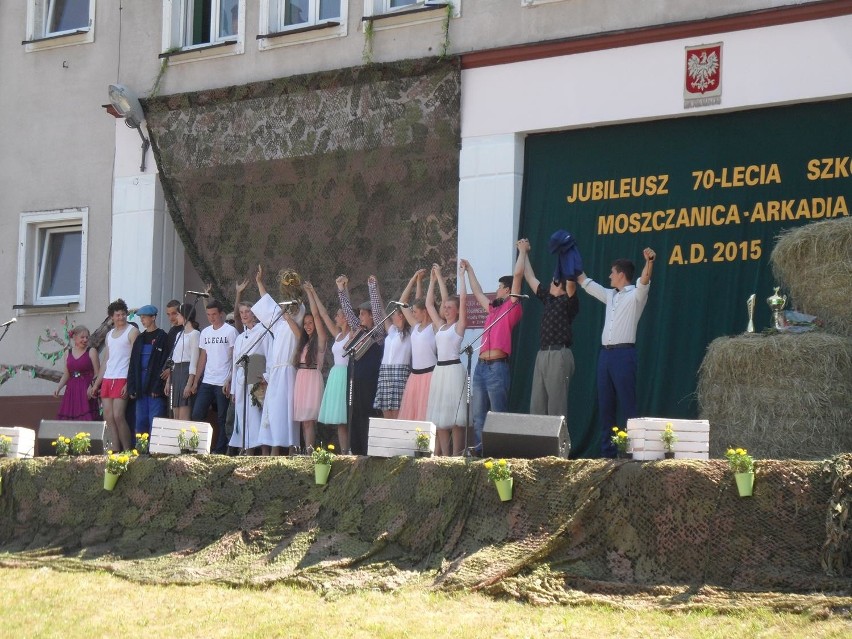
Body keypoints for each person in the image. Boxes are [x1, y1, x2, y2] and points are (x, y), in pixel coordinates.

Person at [577, 247, 656, 458]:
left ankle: (633, 452)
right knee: (605, 404)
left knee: (628, 404)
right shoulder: (610, 295)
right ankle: (608, 453)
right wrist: (571, 263)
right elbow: (587, 284)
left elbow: (645, 280)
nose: (610, 276)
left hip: (624, 354)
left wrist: (649, 261)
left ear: (621, 274)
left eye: (612, 272)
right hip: (606, 356)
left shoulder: (636, 295)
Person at [462, 252, 524, 454]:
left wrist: (522, 252)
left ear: (507, 290)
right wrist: (470, 270)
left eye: (499, 287)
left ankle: (500, 453)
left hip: (497, 367)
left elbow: (517, 278)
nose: (496, 290)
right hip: (481, 366)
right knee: (478, 415)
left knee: (498, 413)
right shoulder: (492, 309)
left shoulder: (512, 307)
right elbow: (477, 291)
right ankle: (480, 451)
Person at [517, 238, 580, 418]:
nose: (550, 283)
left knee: (556, 407)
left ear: (560, 286)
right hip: (542, 353)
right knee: (537, 406)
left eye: (554, 281)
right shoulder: (548, 298)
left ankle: (558, 446)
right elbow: (530, 277)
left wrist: (566, 256)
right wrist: (524, 252)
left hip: (559, 354)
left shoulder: (568, 302)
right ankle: (539, 445)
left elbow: (571, 284)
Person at [252, 265, 304, 456]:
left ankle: (291, 447)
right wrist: (259, 282)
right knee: (273, 410)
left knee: (287, 408)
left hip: (288, 368)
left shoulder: (297, 311)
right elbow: (267, 304)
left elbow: (299, 334)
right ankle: (274, 447)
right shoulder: (278, 319)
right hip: (276, 370)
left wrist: (288, 314)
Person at [337, 274, 384, 456]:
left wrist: (372, 286)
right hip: (354, 379)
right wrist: (342, 290)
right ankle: (355, 448)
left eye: (363, 314)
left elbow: (379, 311)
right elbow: (348, 314)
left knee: (368, 416)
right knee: (354, 415)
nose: (360, 317)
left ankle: (368, 449)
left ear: (371, 316)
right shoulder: (360, 331)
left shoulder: (377, 332)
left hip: (369, 382)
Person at [425, 263, 468, 456]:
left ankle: (457, 454)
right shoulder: (441, 325)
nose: (447, 309)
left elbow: (464, 300)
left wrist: (462, 276)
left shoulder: (458, 326)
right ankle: (445, 455)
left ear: (457, 311)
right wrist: (435, 279)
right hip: (440, 371)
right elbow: (428, 304)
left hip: (454, 370)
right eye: (445, 307)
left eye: (451, 307)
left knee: (456, 418)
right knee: (440, 417)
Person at [190, 299, 238, 454]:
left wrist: (230, 379)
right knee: (197, 413)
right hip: (207, 380)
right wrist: (196, 381)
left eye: (214, 314)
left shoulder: (230, 331)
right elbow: (203, 358)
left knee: (223, 418)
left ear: (221, 314)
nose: (212, 317)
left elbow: (234, 358)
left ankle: (220, 449)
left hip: (223, 381)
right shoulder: (205, 332)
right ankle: (198, 447)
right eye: (209, 314)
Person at [91, 299, 139, 451]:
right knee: (108, 416)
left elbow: (134, 359)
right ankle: (115, 449)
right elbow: (106, 360)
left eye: (123, 314)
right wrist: (97, 383)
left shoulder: (132, 331)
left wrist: (128, 383)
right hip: (108, 378)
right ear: (112, 317)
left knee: (118, 415)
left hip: (122, 377)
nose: (121, 317)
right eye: (117, 315)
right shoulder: (110, 334)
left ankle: (127, 449)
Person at [228, 295, 271, 454]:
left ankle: (265, 452)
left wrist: (266, 377)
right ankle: (247, 449)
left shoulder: (263, 332)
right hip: (241, 377)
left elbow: (269, 354)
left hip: (257, 374)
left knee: (257, 412)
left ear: (253, 314)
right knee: (243, 413)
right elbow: (235, 363)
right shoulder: (239, 338)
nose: (244, 314)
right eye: (242, 312)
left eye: (247, 311)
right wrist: (233, 389)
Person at [314, 284, 353, 453]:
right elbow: (322, 314)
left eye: (338, 315)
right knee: (339, 418)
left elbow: (350, 311)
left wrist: (343, 290)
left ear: (345, 317)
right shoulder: (337, 335)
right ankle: (344, 451)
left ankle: (352, 448)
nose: (335, 318)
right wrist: (313, 292)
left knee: (348, 416)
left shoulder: (353, 333)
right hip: (336, 374)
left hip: (347, 374)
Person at [397, 269, 438, 422]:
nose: (412, 314)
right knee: (414, 414)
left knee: (426, 413)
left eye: (415, 311)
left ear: (425, 312)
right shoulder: (415, 326)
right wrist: (414, 279)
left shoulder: (434, 326)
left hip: (430, 375)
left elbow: (427, 302)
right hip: (415, 376)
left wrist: (433, 281)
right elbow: (402, 303)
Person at [369, 275, 412, 420]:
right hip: (385, 371)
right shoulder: (392, 330)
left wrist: (413, 281)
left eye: (395, 314)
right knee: (386, 412)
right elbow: (381, 310)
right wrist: (374, 288)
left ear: (402, 316)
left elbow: (403, 302)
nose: (392, 316)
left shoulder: (410, 332)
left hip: (400, 372)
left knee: (397, 413)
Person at [292, 282, 326, 452]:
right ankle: (306, 450)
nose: (308, 325)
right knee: (304, 421)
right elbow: (291, 324)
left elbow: (317, 316)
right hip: (301, 378)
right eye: (305, 323)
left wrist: (311, 293)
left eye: (310, 322)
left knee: (309, 419)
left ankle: (309, 451)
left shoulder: (320, 339)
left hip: (312, 378)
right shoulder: (303, 341)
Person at [126, 305, 170, 436]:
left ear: (154, 317)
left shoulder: (163, 337)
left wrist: (158, 387)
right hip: (141, 387)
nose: (142, 320)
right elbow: (133, 363)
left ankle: (154, 451)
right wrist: (132, 386)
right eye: (141, 318)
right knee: (140, 421)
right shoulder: (140, 338)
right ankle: (141, 450)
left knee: (155, 421)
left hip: (155, 388)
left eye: (144, 317)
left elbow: (164, 364)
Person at [54, 325, 100, 421]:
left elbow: (97, 373)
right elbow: (67, 374)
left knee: (87, 418)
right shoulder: (67, 353)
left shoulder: (91, 351)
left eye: (87, 337)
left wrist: (92, 387)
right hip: (71, 390)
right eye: (82, 337)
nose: (85, 339)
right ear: (74, 337)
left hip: (86, 388)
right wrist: (58, 387)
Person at [166, 303, 200, 421]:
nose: (177, 317)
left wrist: (189, 383)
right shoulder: (178, 334)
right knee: (175, 414)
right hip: (176, 373)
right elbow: (174, 359)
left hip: (186, 372)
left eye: (178, 314)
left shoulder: (195, 334)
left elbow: (194, 359)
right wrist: (168, 380)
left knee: (183, 414)